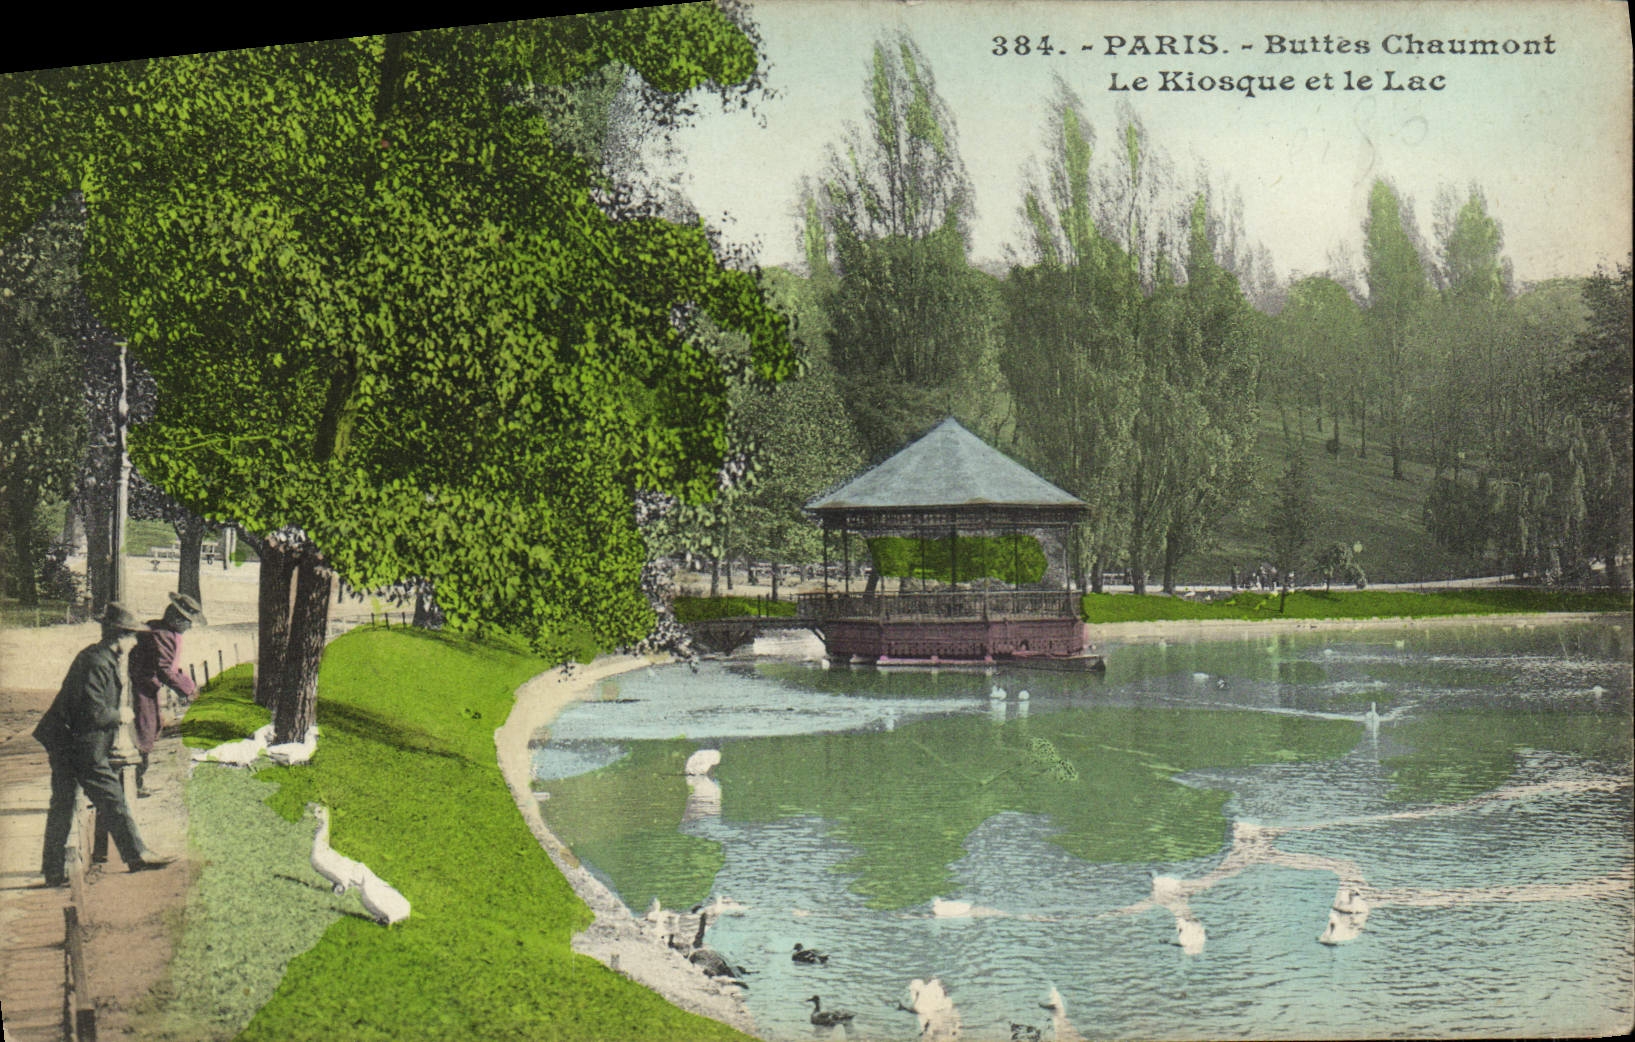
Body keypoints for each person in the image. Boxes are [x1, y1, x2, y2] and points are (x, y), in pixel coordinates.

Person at [34, 602, 177, 886]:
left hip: (69, 738)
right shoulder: (97, 662)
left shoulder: (101, 657)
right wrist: (120, 715)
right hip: (76, 742)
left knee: (64, 803)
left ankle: (53, 871)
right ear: (119, 636)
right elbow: (93, 712)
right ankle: (137, 855)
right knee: (111, 798)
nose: (135, 641)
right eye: (132, 635)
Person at [129, 592, 206, 797]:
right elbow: (164, 669)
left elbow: (170, 668)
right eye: (188, 622)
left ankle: (134, 781)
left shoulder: (163, 632)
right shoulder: (163, 636)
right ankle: (133, 783)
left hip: (147, 687)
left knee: (149, 730)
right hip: (142, 688)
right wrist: (188, 690)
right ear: (177, 619)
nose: (190, 627)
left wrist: (188, 685)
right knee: (144, 733)